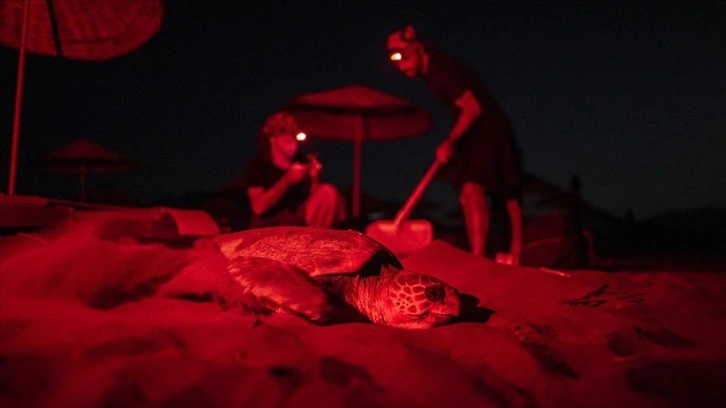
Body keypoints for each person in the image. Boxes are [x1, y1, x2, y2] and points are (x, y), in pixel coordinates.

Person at [386, 25, 523, 265]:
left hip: (489, 129)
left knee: (504, 191)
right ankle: (479, 255)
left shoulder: (440, 70)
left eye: (404, 56)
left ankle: (494, 256)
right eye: (396, 61)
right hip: (472, 133)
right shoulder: (430, 73)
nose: (402, 64)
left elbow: (473, 108)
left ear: (417, 49)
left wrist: (449, 141)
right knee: (467, 194)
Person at [241, 111, 344, 229]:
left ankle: (319, 242)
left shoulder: (301, 161)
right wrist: (287, 180)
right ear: (272, 140)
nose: (293, 146)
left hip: (297, 221)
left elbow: (315, 206)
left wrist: (314, 177)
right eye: (287, 141)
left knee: (327, 192)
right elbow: (258, 207)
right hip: (269, 224)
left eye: (295, 141)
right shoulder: (259, 165)